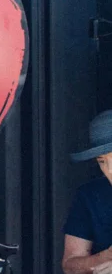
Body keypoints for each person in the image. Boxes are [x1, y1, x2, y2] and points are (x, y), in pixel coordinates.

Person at [63, 110, 112, 274]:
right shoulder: (90, 195)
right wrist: (105, 256)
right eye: (102, 161)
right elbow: (70, 266)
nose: (109, 170)